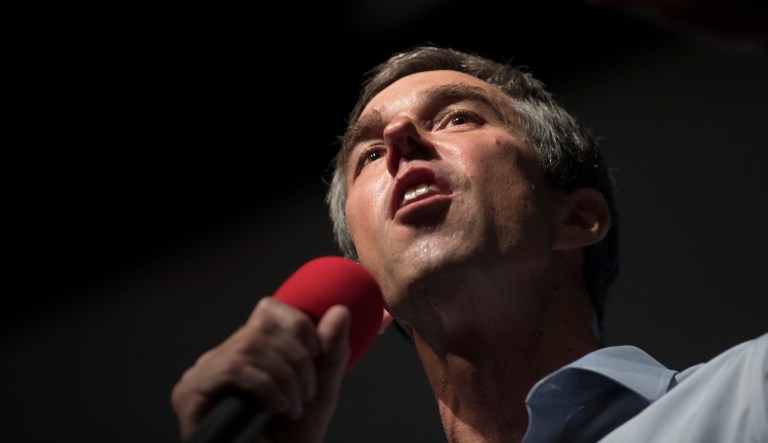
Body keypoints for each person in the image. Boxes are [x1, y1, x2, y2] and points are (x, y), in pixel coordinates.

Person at [171, 45, 768, 442]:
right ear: (370, 289)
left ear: (578, 217)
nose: (399, 137)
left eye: (458, 118)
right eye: (370, 154)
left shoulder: (749, 395)